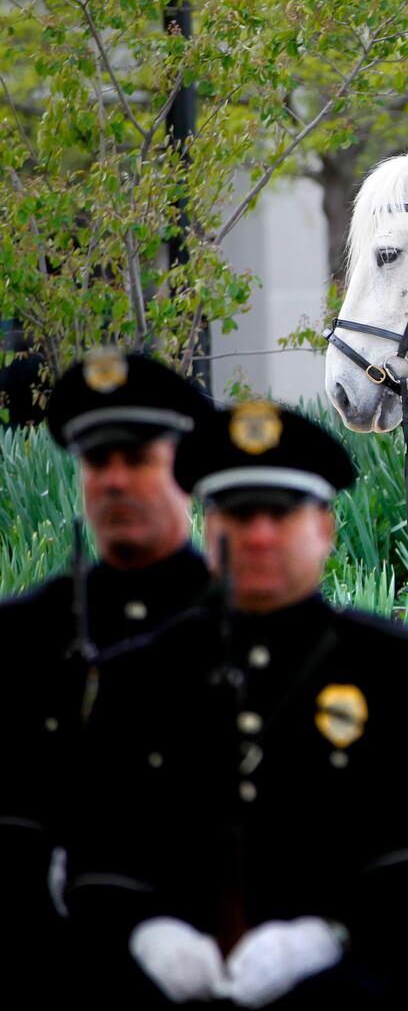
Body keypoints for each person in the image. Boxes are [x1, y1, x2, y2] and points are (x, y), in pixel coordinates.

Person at [66, 400, 408, 1008]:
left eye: (280, 514)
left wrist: (328, 935)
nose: (257, 534)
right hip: (170, 978)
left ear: (325, 529)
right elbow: (94, 842)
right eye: (236, 512)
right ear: (208, 526)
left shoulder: (395, 670)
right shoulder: (137, 674)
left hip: (348, 980)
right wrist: (146, 932)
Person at [0, 348, 212, 976]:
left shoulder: (243, 630)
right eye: (98, 461)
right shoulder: (24, 634)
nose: (114, 480)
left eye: (138, 460)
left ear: (187, 472)